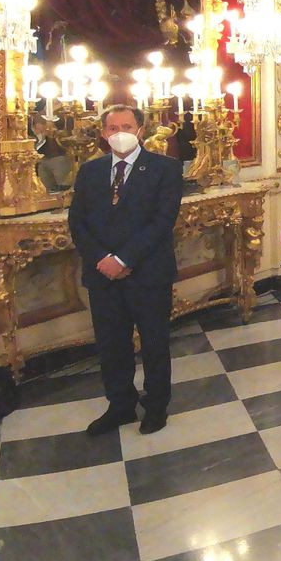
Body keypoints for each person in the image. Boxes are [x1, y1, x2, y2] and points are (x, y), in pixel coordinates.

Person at [69, 104, 184, 436]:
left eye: (127, 126)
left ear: (140, 130)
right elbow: (77, 222)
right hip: (102, 274)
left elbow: (162, 221)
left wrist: (123, 259)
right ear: (103, 133)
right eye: (112, 127)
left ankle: (156, 406)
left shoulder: (165, 168)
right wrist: (102, 259)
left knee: (154, 342)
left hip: (148, 273)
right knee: (111, 344)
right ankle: (120, 405)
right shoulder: (90, 171)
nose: (119, 133)